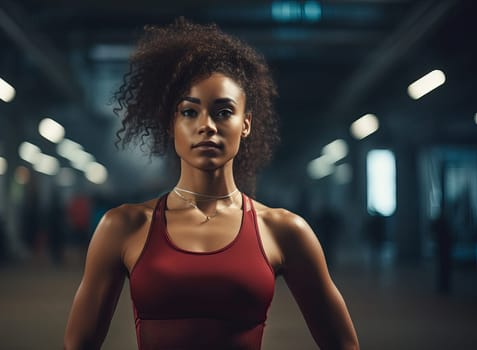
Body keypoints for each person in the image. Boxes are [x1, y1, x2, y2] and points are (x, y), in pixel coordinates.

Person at [64, 18, 359, 350]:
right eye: (189, 112)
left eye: (223, 111)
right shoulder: (123, 226)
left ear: (245, 124)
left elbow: (344, 345)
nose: (206, 126)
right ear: (170, 123)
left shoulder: (284, 231)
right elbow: (78, 345)